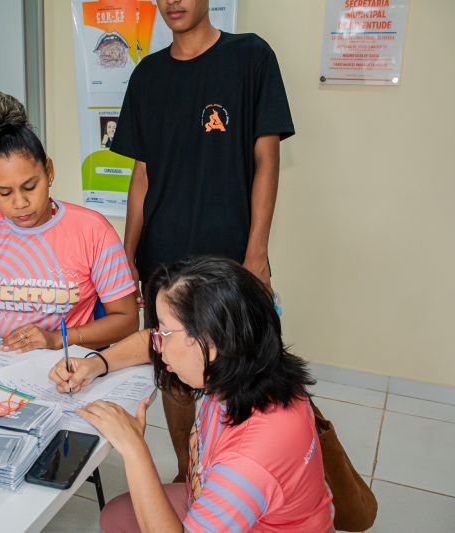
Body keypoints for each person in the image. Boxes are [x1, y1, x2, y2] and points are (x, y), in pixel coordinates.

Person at [110, 0, 295, 481]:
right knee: (173, 372)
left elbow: (267, 161)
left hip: (230, 260)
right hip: (163, 259)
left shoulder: (250, 57)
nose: (173, 2)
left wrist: (256, 255)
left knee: (237, 372)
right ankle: (186, 471)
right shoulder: (148, 76)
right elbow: (142, 176)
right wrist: (127, 253)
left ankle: (235, 474)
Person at [49, 257, 333, 532]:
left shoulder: (247, 463)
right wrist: (97, 364)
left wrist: (134, 450)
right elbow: (148, 342)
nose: (157, 345)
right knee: (116, 516)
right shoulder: (247, 364)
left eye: (165, 334)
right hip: (214, 496)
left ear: (212, 340)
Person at [0, 92, 139, 384]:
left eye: (30, 187)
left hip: (64, 372)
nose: (20, 203)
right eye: (4, 192)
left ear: (49, 172)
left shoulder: (92, 230)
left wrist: (55, 339)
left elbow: (126, 319)